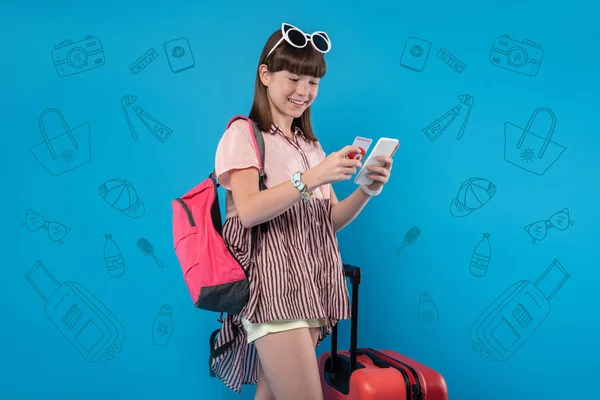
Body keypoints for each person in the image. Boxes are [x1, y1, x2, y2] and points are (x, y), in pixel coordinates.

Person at [211, 22, 394, 399]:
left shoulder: (309, 144)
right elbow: (247, 212)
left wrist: (366, 190)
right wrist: (311, 178)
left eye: (312, 82)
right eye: (293, 78)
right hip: (272, 288)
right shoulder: (244, 134)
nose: (303, 92)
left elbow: (329, 221)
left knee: (272, 395)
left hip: (310, 285)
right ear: (265, 75)